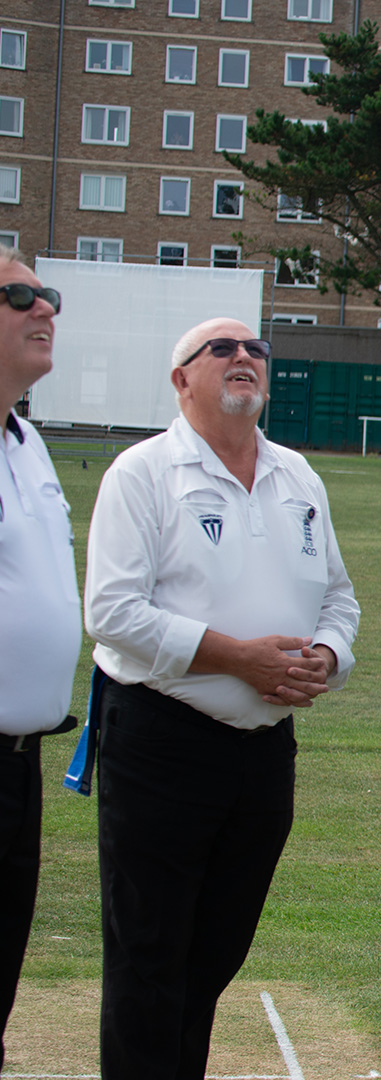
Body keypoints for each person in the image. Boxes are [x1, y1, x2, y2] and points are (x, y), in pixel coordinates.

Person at [84, 317, 359, 1079]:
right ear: (182, 379)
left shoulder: (297, 475)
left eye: (256, 350)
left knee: (213, 955)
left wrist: (325, 658)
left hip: (264, 754)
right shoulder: (142, 473)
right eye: (223, 349)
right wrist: (237, 658)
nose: (246, 357)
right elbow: (111, 612)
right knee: (149, 955)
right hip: (161, 740)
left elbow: (338, 597)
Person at [0, 247, 81, 1070]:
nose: (45, 307)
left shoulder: (26, 441)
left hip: (21, 767)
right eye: (19, 297)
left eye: (47, 294)